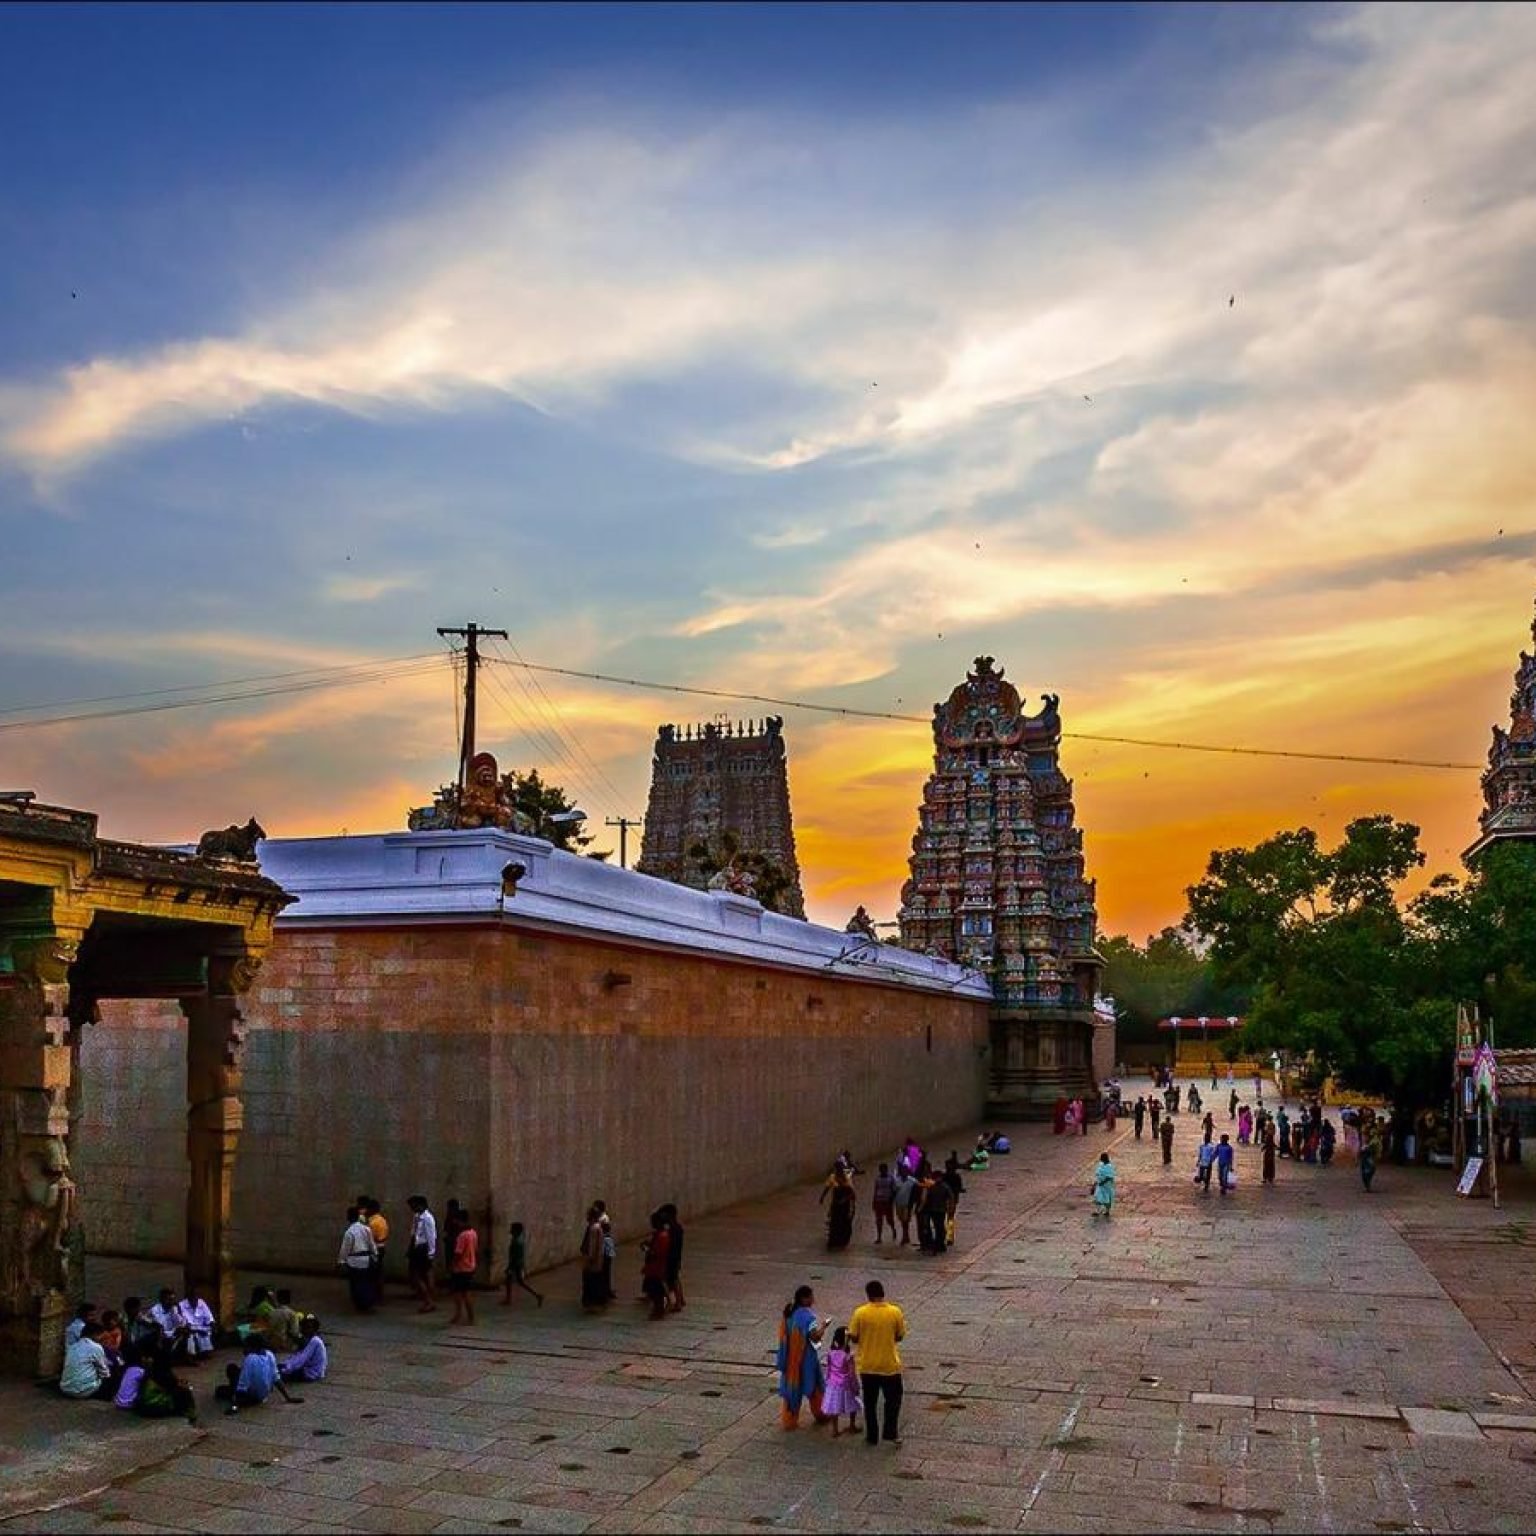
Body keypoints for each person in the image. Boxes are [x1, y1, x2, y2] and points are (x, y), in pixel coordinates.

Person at [849, 1279, 907, 1447]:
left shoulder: (860, 1313)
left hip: (868, 1365)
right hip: (889, 1365)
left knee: (870, 1402)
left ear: (868, 1295)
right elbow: (900, 1336)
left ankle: (872, 1436)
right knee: (893, 1400)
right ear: (883, 1293)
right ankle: (890, 1432)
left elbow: (853, 1336)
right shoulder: (895, 1312)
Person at [776, 1284, 827, 1429]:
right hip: (806, 1358)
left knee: (793, 1389)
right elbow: (815, 1337)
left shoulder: (789, 1314)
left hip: (791, 1359)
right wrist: (823, 1327)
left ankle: (789, 1420)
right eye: (811, 1296)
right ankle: (821, 1413)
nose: (813, 1299)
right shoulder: (808, 1317)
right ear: (804, 1299)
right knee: (816, 1386)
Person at [217, 1336, 302, 1415]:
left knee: (225, 1382)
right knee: (237, 1371)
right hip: (263, 1396)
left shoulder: (250, 1358)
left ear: (252, 1347)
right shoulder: (269, 1354)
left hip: (250, 1397)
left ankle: (233, 1396)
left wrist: (234, 1407)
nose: (244, 1349)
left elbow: (243, 1384)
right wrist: (288, 1398)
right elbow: (276, 1378)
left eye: (246, 1346)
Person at [133, 1350, 197, 1423]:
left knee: (181, 1390)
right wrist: (185, 1386)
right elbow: (174, 1386)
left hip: (142, 1406)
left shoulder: (150, 1371)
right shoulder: (163, 1374)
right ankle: (191, 1416)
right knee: (185, 1392)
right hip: (152, 1407)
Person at [821, 1326, 862, 1438]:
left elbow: (828, 1369)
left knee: (834, 1407)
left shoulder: (830, 1353)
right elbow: (852, 1373)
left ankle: (835, 1430)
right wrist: (856, 1386)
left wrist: (827, 1381)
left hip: (833, 1384)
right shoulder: (848, 1356)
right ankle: (852, 1425)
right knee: (852, 1404)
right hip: (846, 1384)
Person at [59, 1321, 117, 1400]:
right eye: (100, 1336)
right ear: (95, 1334)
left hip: (65, 1388)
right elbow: (104, 1372)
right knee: (110, 1373)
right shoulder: (96, 1347)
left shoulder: (73, 1346)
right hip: (82, 1391)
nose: (101, 1339)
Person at [338, 1206, 378, 1313]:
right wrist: (375, 1256)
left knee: (356, 1283)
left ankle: (359, 1304)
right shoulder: (366, 1229)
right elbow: (372, 1244)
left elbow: (345, 1248)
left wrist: (342, 1261)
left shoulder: (349, 1232)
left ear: (349, 1217)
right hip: (366, 1259)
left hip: (354, 1261)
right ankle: (367, 1303)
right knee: (366, 1282)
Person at [501, 1221, 544, 1307]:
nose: (511, 1230)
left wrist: (510, 1268)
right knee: (518, 1282)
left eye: (512, 1229)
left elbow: (514, 1257)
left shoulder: (516, 1242)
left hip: (515, 1265)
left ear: (516, 1231)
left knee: (512, 1281)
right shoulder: (517, 1240)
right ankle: (537, 1295)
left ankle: (509, 1299)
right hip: (517, 1265)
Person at [407, 1195, 438, 1313]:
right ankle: (429, 1298)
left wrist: (431, 1253)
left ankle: (428, 1300)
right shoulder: (417, 1217)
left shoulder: (428, 1218)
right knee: (422, 1274)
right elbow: (413, 1233)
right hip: (417, 1247)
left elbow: (431, 1237)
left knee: (419, 1275)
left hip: (423, 1248)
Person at [449, 1212, 479, 1325]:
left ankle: (463, 1315)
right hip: (470, 1266)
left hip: (461, 1268)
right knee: (464, 1292)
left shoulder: (462, 1236)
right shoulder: (473, 1233)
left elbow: (458, 1253)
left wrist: (452, 1264)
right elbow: (475, 1249)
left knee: (460, 1293)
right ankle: (465, 1316)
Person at [641, 1210, 671, 1321]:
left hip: (657, 1267)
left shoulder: (662, 1236)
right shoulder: (659, 1234)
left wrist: (648, 1250)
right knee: (655, 1288)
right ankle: (659, 1308)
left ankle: (659, 1310)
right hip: (655, 1267)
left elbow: (657, 1253)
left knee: (656, 1290)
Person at [280, 1317, 328, 1383]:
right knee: (280, 1367)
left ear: (315, 1329)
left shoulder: (315, 1341)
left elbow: (302, 1360)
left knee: (280, 1375)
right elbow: (297, 1356)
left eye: (308, 1328)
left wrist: (286, 1369)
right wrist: (285, 1364)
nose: (305, 1330)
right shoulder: (308, 1340)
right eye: (304, 1327)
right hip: (308, 1369)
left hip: (312, 1373)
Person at [176, 1285, 216, 1362]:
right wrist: (197, 1330)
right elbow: (183, 1322)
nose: (195, 1298)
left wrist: (212, 1324)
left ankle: (204, 1352)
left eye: (196, 1296)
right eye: (193, 1296)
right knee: (190, 1335)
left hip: (202, 1327)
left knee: (206, 1332)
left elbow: (209, 1316)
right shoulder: (181, 1305)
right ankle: (191, 1357)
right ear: (188, 1297)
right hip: (189, 1328)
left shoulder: (201, 1302)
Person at [821, 1167, 857, 1251]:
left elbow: (852, 1194)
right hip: (836, 1205)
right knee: (834, 1223)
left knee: (844, 1223)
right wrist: (822, 1197)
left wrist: (846, 1200)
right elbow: (827, 1188)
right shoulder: (833, 1178)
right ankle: (833, 1241)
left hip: (844, 1206)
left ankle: (842, 1241)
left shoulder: (847, 1180)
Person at [363, 1197, 390, 1306]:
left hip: (375, 1248)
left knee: (373, 1273)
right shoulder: (382, 1220)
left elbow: (369, 1237)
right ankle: (378, 1294)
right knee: (378, 1272)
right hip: (381, 1247)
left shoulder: (373, 1222)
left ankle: (374, 1294)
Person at [580, 1205, 607, 1311]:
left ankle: (591, 1301)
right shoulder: (598, 1227)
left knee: (590, 1281)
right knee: (596, 1281)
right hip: (598, 1260)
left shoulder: (593, 1228)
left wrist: (590, 1259)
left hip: (593, 1261)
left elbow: (592, 1245)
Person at [661, 1203, 686, 1312]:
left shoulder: (672, 1229)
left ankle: (676, 1303)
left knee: (668, 1280)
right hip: (676, 1257)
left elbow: (671, 1244)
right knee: (676, 1278)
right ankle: (681, 1299)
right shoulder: (678, 1227)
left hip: (671, 1257)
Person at [892, 1164, 918, 1246]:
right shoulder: (897, 1180)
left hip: (907, 1204)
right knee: (902, 1220)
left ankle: (905, 1236)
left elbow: (915, 1192)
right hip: (899, 1203)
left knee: (905, 1220)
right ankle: (906, 1235)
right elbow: (894, 1191)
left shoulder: (912, 1181)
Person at [872, 1163, 897, 1243]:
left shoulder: (891, 1178)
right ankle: (879, 1237)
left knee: (889, 1219)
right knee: (879, 1220)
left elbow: (894, 1190)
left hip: (887, 1201)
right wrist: (874, 1201)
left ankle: (893, 1229)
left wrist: (891, 1200)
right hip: (879, 1200)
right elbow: (876, 1190)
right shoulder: (877, 1179)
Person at [1092, 1152, 1116, 1218]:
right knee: (1097, 1197)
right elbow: (1097, 1174)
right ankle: (1097, 1211)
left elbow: (1110, 1176)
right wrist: (1095, 1183)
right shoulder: (1101, 1165)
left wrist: (1103, 1182)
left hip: (1107, 1186)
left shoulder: (1109, 1166)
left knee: (1107, 1198)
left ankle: (1107, 1211)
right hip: (1100, 1185)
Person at [1360, 1127, 1379, 1193]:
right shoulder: (1367, 1143)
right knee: (1365, 1174)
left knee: (1367, 1174)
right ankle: (1367, 1187)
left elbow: (1373, 1151)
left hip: (1368, 1160)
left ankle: (1368, 1187)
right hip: (1366, 1160)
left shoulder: (1373, 1142)